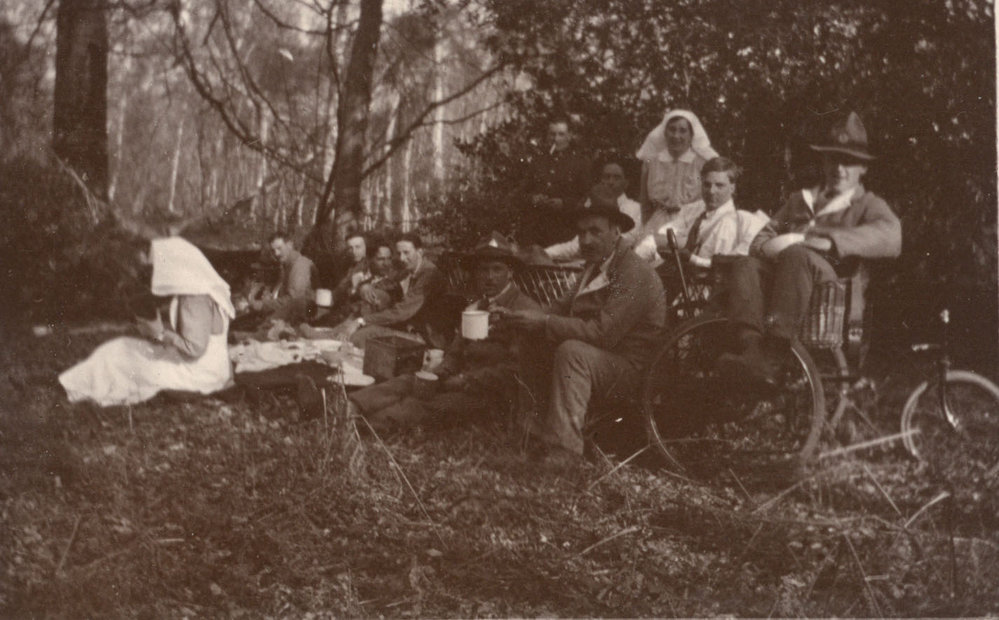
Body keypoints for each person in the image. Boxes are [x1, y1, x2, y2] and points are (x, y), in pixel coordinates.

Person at [716, 111, 902, 387]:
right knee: (744, 264)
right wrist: (770, 246)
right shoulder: (800, 200)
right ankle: (752, 349)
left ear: (863, 169)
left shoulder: (868, 205)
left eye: (848, 162)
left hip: (831, 288)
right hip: (786, 283)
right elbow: (763, 236)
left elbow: (891, 235)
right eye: (833, 159)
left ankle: (774, 353)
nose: (839, 169)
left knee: (798, 255)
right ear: (823, 162)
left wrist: (832, 241)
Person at [497, 205, 667, 458]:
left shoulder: (634, 272)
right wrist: (519, 315)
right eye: (582, 233)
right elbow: (558, 308)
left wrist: (544, 322)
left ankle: (562, 453)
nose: (586, 240)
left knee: (571, 352)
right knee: (534, 340)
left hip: (634, 370)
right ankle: (531, 436)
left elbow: (602, 334)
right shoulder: (595, 266)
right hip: (603, 360)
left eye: (595, 231)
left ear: (616, 232)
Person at [346, 232, 541, 431]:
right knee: (410, 381)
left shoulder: (525, 310)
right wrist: (441, 373)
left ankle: (367, 426)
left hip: (491, 396)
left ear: (510, 273)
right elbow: (455, 352)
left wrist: (465, 381)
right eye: (483, 270)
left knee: (429, 405)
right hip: (459, 380)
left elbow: (516, 370)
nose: (489, 277)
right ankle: (350, 407)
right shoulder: (477, 306)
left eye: (497, 270)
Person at [59, 237, 235, 406]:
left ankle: (77, 388)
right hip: (210, 368)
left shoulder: (194, 298)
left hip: (199, 373)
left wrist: (161, 334)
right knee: (124, 347)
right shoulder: (205, 291)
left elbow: (195, 348)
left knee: (120, 356)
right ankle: (78, 384)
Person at [332, 232, 445, 348]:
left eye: (406, 253)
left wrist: (361, 321)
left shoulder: (429, 274)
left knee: (361, 336)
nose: (402, 258)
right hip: (408, 328)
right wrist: (364, 287)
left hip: (426, 338)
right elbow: (385, 283)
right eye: (399, 253)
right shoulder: (409, 269)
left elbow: (401, 312)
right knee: (357, 330)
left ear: (420, 252)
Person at [636, 109, 719, 233]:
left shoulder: (703, 164)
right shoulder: (651, 163)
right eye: (672, 129)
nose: (676, 136)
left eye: (683, 131)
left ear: (692, 135)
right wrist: (646, 225)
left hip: (691, 224)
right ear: (664, 133)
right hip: (657, 224)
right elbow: (645, 204)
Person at [545, 159, 643, 261]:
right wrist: (545, 252)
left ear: (626, 183)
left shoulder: (635, 208)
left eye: (616, 178)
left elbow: (620, 243)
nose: (610, 182)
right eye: (606, 177)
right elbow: (574, 245)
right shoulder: (593, 206)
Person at [522, 117, 592, 246]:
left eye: (561, 134)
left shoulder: (580, 162)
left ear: (569, 136)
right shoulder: (538, 160)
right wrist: (533, 198)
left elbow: (587, 198)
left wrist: (564, 204)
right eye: (552, 134)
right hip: (536, 231)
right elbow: (522, 193)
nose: (556, 139)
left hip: (565, 231)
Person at [250, 231, 316, 323]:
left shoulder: (300, 266)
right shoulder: (286, 265)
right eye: (273, 250)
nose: (276, 253)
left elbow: (292, 300)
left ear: (290, 245)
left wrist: (263, 305)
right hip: (290, 314)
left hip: (302, 318)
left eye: (279, 248)